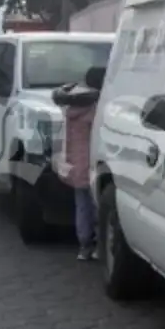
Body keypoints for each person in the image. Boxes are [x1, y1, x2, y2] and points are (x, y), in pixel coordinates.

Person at [52, 66, 105, 261]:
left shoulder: (71, 108)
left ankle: (84, 246)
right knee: (98, 206)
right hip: (92, 164)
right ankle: (99, 246)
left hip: (76, 164)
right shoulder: (95, 109)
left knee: (81, 206)